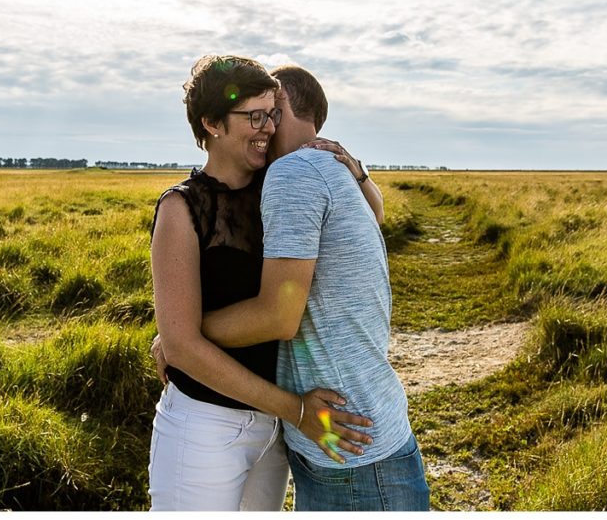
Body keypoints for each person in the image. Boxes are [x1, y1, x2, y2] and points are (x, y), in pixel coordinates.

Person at [148, 54, 377, 511]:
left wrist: (356, 169)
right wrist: (295, 409)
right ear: (212, 123)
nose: (269, 127)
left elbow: (372, 220)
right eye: (254, 116)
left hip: (273, 433)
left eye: (272, 114)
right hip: (205, 428)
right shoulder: (181, 210)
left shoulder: (281, 186)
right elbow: (183, 347)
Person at [200, 64, 431, 511]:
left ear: (279, 101)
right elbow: (376, 216)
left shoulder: (295, 174)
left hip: (351, 453)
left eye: (264, 111)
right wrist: (361, 172)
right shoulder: (330, 167)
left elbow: (278, 317)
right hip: (349, 436)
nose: (260, 124)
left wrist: (184, 337)